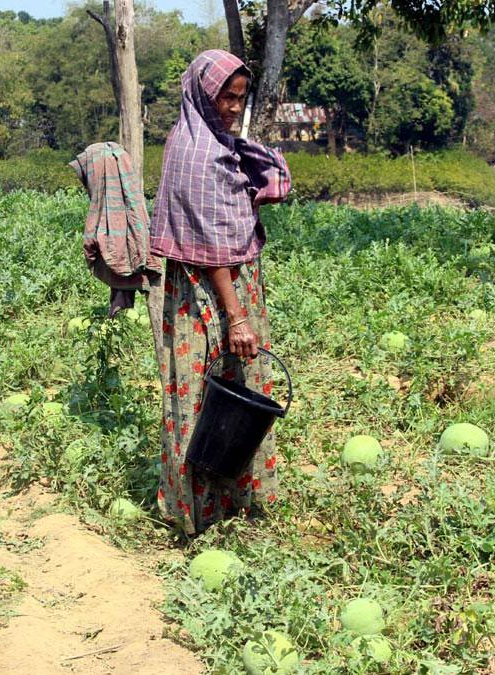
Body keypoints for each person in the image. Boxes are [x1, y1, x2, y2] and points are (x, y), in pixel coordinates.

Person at [150, 50, 291, 536]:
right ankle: (201, 513)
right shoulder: (195, 153)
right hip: (208, 298)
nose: (233, 107)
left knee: (238, 392)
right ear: (202, 96)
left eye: (240, 97)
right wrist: (236, 316)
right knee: (209, 395)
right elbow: (210, 249)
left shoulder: (216, 143)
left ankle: (234, 504)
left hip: (229, 290)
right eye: (224, 97)